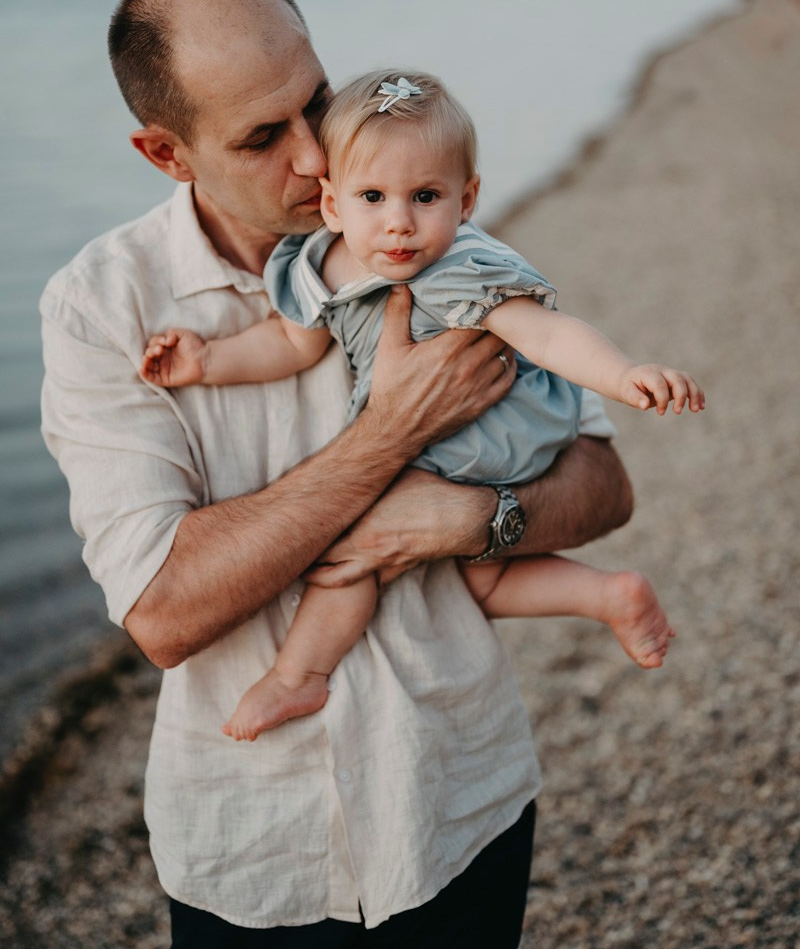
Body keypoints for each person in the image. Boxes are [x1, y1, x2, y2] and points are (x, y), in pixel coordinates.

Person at [41, 0, 634, 947]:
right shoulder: (102, 309)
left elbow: (604, 484)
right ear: (166, 153)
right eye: (262, 137)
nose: (318, 157)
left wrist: (473, 518)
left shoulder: (420, 230)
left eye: (314, 101)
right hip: (257, 842)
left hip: (460, 790)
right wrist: (390, 433)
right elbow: (163, 612)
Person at [141, 67, 701, 743]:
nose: (399, 223)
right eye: (372, 197)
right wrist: (207, 361)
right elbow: (288, 343)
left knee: (350, 550)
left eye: (426, 196)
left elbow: (545, 334)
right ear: (332, 206)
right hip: (442, 440)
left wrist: (624, 373)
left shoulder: (460, 267)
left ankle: (298, 675)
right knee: (478, 583)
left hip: (491, 429)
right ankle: (608, 594)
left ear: (467, 200)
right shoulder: (319, 263)